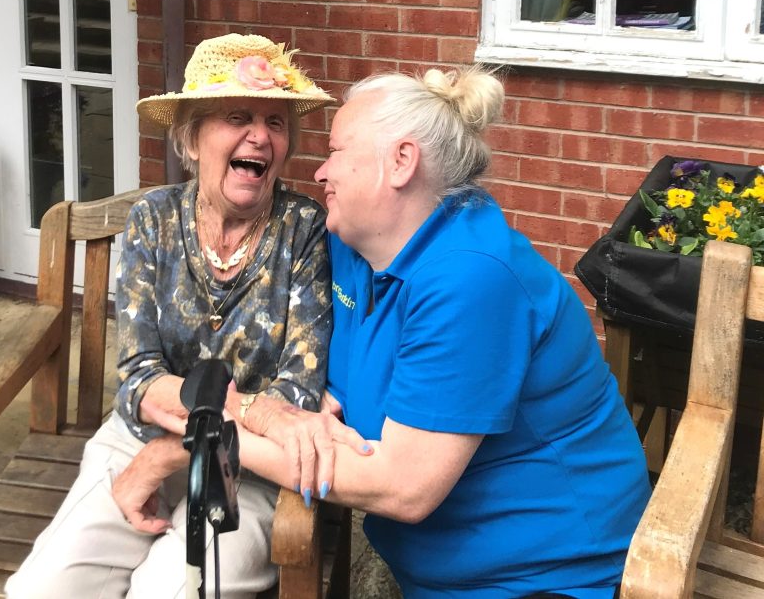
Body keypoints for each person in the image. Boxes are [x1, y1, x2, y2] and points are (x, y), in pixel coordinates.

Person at [228, 67, 652, 597]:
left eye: (336, 151)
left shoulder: (471, 278)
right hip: (448, 570)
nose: (320, 172)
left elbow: (404, 487)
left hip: (548, 574)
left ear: (401, 162)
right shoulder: (356, 248)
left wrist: (218, 437)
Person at [5, 33, 364, 599]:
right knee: (43, 589)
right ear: (191, 140)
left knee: (169, 591)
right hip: (142, 438)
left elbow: (296, 394)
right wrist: (243, 412)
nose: (260, 136)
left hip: (252, 470)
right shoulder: (153, 219)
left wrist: (169, 454)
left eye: (276, 121)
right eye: (237, 117)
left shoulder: (305, 231)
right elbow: (140, 382)